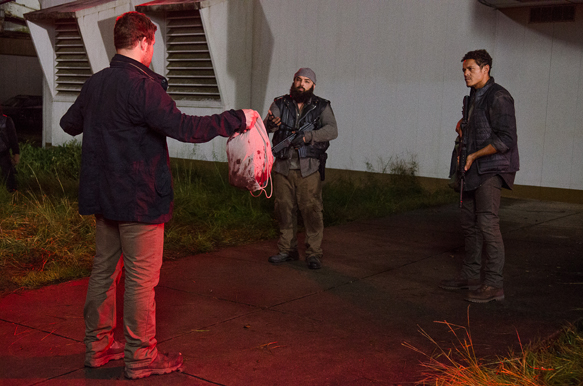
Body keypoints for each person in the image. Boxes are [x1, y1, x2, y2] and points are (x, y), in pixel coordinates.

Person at [60, 12, 256, 379]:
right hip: (139, 201)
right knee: (140, 280)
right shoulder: (142, 86)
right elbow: (184, 128)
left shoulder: (96, 84)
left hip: (105, 200)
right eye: (154, 44)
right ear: (145, 41)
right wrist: (235, 118)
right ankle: (140, 358)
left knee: (104, 273)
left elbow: (68, 124)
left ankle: (98, 348)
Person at [440, 49, 519, 303]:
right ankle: (470, 276)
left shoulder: (499, 97)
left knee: (487, 223)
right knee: (469, 225)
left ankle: (494, 284)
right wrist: (464, 127)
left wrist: (474, 155)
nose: (465, 74)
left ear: (486, 69)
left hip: (491, 169)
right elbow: (480, 129)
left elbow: (506, 139)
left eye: (470, 69)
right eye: (463, 70)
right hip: (472, 170)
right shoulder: (474, 96)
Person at [264, 68, 338, 270]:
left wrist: (308, 137)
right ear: (293, 81)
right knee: (284, 210)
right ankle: (287, 250)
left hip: (308, 168)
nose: (301, 84)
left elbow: (332, 130)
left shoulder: (321, 106)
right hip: (282, 167)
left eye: (306, 81)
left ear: (313, 85)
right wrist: (270, 124)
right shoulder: (280, 103)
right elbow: (266, 127)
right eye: (298, 80)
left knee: (312, 211)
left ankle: (314, 253)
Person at [0, 110, 20, 192]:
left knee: (9, 179)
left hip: (3, 153)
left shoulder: (6, 120)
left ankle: (13, 196)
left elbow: (13, 138)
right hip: (3, 152)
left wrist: (16, 153)